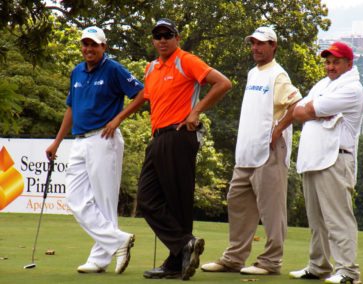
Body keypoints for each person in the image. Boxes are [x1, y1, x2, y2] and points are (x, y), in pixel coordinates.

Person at [114, 18, 231, 280]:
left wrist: (196, 111)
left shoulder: (185, 60)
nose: (163, 40)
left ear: (177, 38)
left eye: (168, 35)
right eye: (158, 36)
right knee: (147, 198)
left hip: (179, 135)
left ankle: (176, 261)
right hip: (158, 138)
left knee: (178, 201)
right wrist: (119, 118)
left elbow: (223, 83)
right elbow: (145, 97)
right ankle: (184, 245)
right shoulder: (151, 68)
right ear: (153, 41)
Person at [201, 26, 301, 275]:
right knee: (237, 203)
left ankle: (270, 262)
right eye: (253, 43)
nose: (256, 47)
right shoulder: (252, 73)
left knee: (272, 209)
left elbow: (296, 104)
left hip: (269, 152)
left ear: (273, 46)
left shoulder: (278, 75)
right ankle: (234, 258)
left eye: (262, 43)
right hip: (246, 151)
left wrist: (278, 130)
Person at [45, 26, 144, 274]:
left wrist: (118, 119)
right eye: (85, 44)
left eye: (94, 44)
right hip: (79, 139)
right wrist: (57, 141)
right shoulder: (76, 71)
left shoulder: (113, 69)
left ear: (104, 47)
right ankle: (117, 241)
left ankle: (100, 258)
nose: (88, 49)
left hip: (104, 138)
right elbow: (71, 108)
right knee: (75, 198)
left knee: (104, 201)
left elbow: (143, 93)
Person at [289, 42, 363, 284]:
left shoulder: (352, 89)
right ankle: (318, 266)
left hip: (336, 157)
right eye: (328, 61)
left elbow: (309, 109)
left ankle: (348, 272)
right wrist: (315, 113)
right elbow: (298, 111)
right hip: (314, 157)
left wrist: (313, 111)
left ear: (349, 64)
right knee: (316, 218)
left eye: (336, 62)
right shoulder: (323, 84)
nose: (330, 66)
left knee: (338, 217)